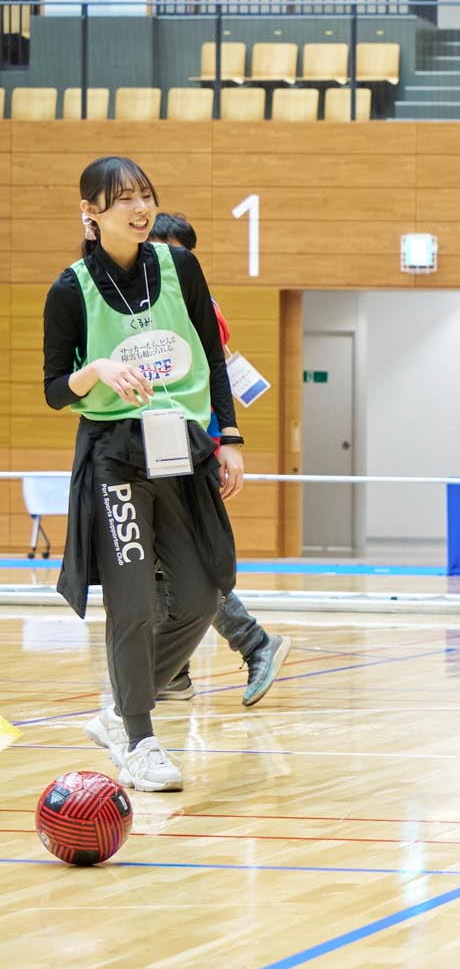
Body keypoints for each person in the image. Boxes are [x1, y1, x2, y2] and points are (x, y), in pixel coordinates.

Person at [43, 157, 242, 792]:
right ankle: (140, 737)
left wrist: (229, 436)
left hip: (180, 445)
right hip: (113, 453)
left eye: (145, 195)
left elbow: (211, 353)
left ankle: (121, 708)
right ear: (90, 214)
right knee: (131, 599)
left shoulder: (180, 266)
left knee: (201, 591)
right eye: (122, 198)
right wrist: (97, 368)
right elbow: (53, 388)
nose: (139, 207)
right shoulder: (69, 290)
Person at [145, 211, 292, 708]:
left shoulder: (197, 303)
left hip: (186, 446)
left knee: (183, 558)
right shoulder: (144, 298)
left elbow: (215, 375)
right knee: (161, 561)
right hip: (151, 443)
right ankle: (176, 670)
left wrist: (226, 439)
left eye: (177, 250)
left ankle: (252, 643)